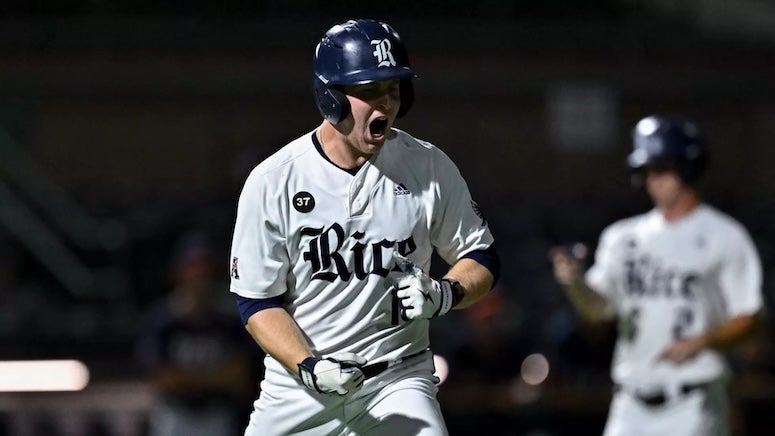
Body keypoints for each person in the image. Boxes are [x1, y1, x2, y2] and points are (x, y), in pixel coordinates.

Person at [227, 18, 500, 436]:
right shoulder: (274, 180)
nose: (385, 104)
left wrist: (446, 292)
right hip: (300, 390)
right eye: (369, 90)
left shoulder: (427, 166)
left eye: (393, 89)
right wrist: (309, 366)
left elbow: (481, 256)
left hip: (398, 379)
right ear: (330, 96)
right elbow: (256, 302)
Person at [550, 115, 765, 436]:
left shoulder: (724, 235)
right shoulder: (621, 237)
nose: (653, 179)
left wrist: (704, 340)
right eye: (646, 170)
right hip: (629, 402)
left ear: (687, 167)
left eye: (662, 168)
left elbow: (751, 318)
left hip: (693, 399)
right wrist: (575, 283)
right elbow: (598, 310)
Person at [135, 232, 255, 436]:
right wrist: (215, 377)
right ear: (178, 271)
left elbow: (240, 377)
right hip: (174, 416)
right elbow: (162, 378)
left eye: (204, 267)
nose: (199, 274)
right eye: (193, 266)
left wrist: (186, 378)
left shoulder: (229, 320)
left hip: (217, 417)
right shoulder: (162, 320)